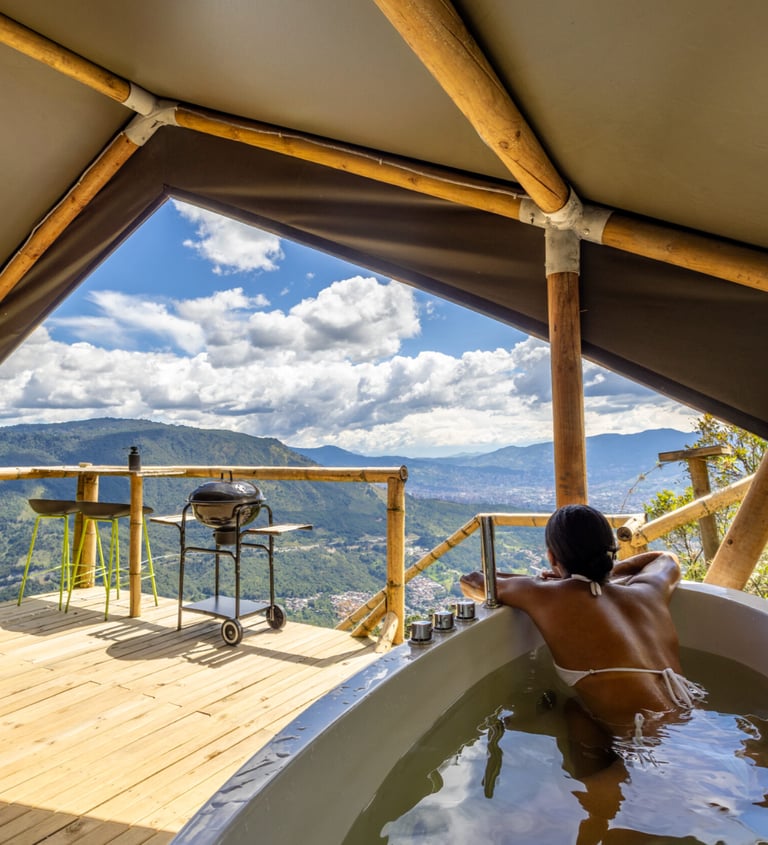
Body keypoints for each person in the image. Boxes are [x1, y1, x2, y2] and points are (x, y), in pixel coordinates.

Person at [459, 503, 705, 735]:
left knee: (572, 711)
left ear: (552, 557)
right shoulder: (648, 592)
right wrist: (605, 571)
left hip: (645, 738)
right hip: (696, 720)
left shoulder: (547, 596)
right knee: (574, 710)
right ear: (610, 551)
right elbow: (666, 558)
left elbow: (473, 581)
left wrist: (554, 582)